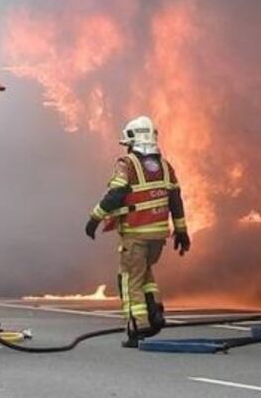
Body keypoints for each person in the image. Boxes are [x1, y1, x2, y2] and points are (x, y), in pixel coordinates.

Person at [84, 116, 190, 348]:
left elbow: (115, 195)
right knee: (145, 275)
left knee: (128, 279)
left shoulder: (128, 164)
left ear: (133, 140)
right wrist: (181, 231)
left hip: (136, 234)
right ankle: (156, 314)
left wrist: (94, 218)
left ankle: (137, 327)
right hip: (158, 237)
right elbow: (175, 200)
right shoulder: (165, 166)